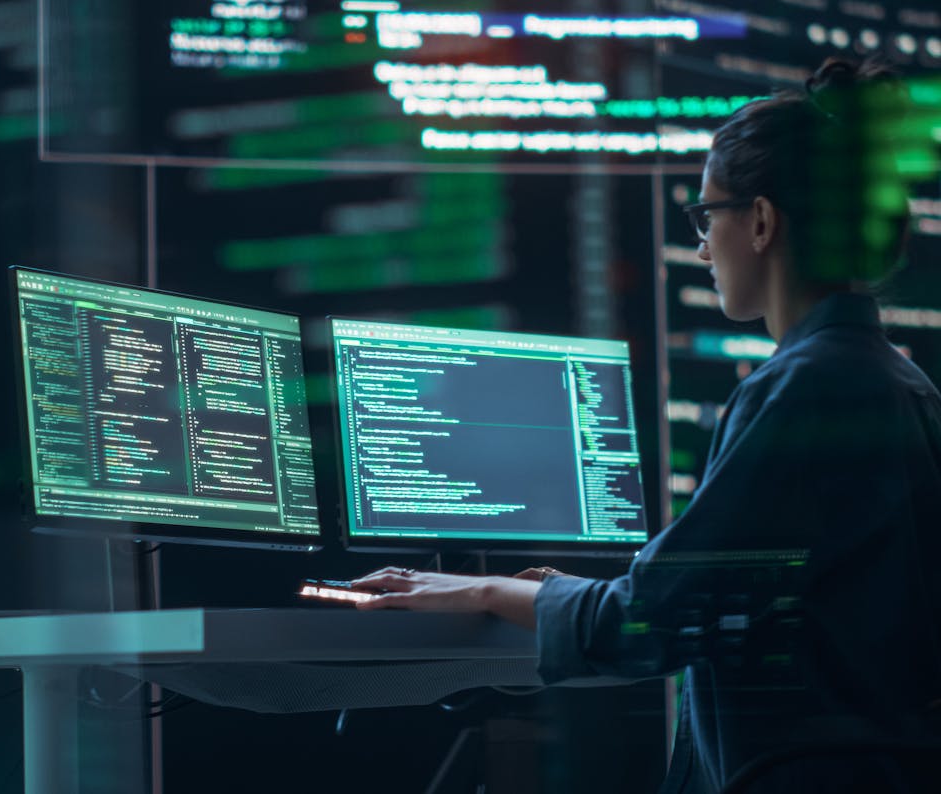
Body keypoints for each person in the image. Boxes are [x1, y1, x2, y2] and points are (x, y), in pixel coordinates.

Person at [351, 57, 941, 793]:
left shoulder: (804, 388)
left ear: (759, 221)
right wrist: (548, 591)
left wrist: (481, 592)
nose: (700, 246)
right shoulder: (899, 381)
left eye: (705, 215)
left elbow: (654, 618)